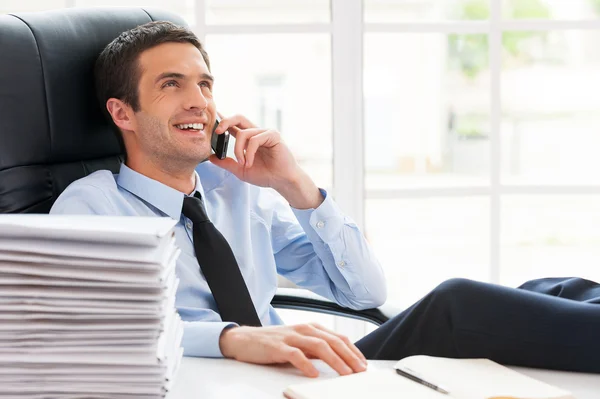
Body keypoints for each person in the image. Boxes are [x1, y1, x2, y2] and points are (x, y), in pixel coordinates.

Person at [50, 21, 600, 377]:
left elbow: (364, 290)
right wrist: (233, 338)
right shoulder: (93, 208)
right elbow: (78, 331)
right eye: (172, 84)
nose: (200, 101)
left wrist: (296, 187)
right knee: (457, 304)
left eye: (206, 84)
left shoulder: (236, 192)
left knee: (550, 290)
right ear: (122, 113)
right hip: (219, 378)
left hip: (297, 369)